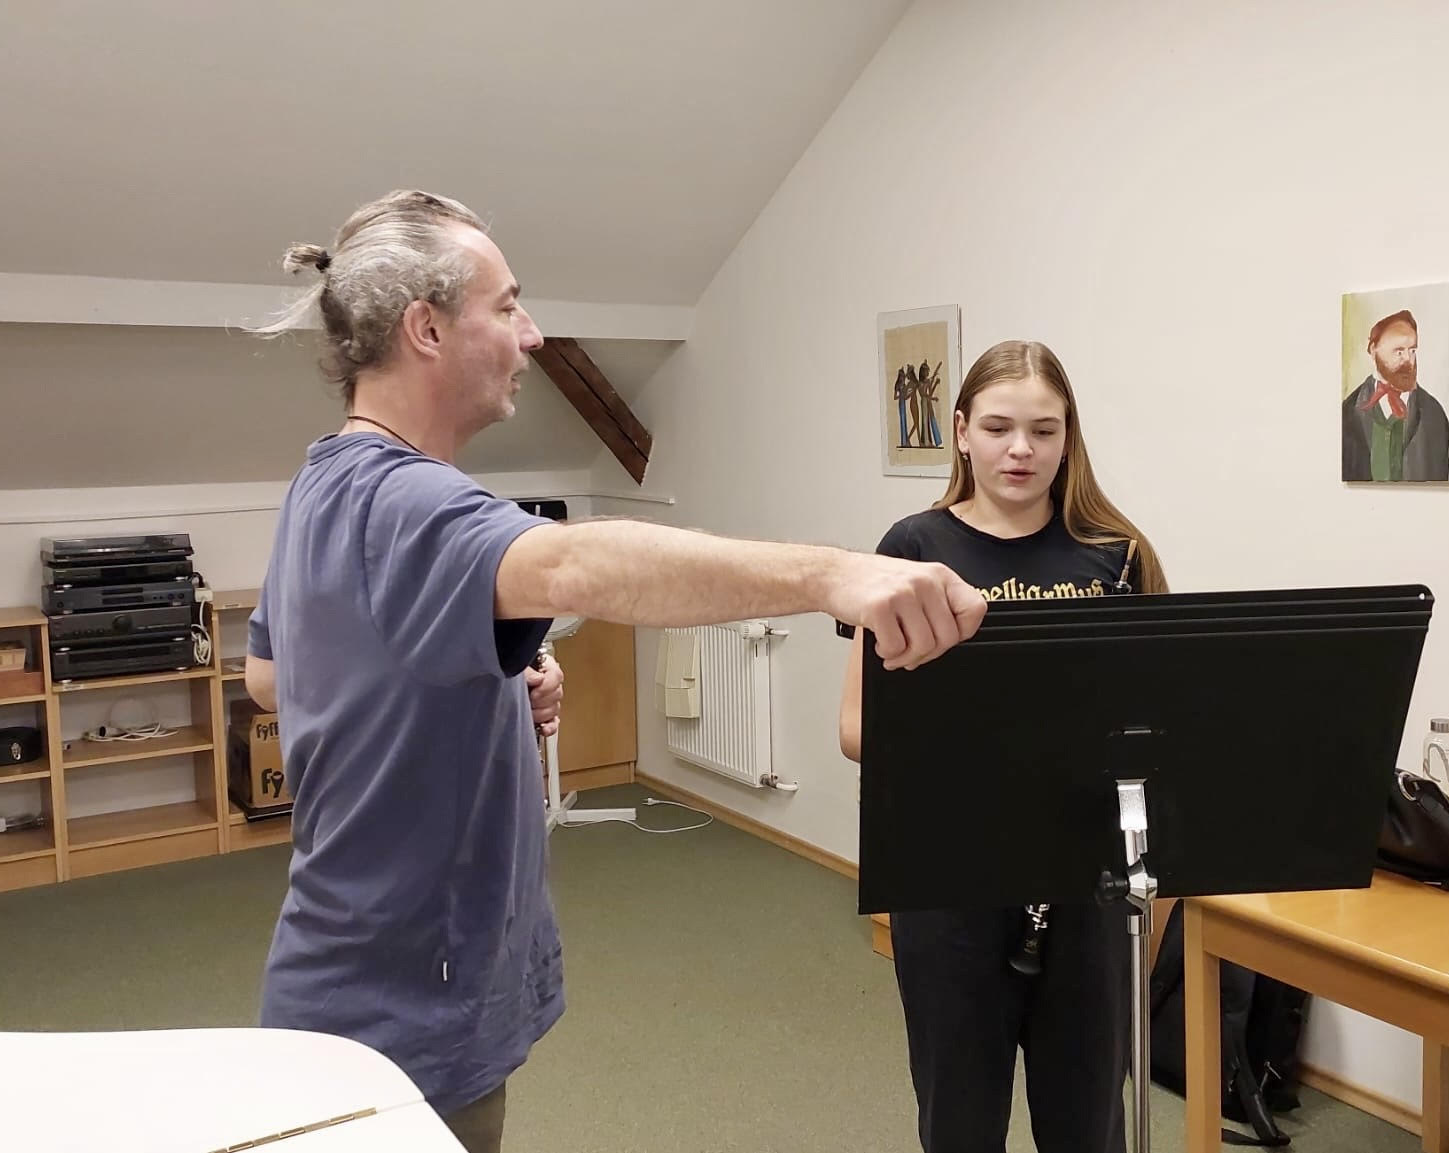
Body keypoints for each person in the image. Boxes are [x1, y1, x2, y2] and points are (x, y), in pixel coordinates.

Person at [240, 189, 987, 1153]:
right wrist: (832, 575)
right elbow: (575, 563)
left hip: (350, 986)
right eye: (507, 305)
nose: (532, 334)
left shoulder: (325, 478)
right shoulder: (407, 501)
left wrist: (493, 683)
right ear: (426, 329)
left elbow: (273, 677)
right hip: (397, 1026)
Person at [838, 340, 1168, 1153]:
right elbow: (855, 727)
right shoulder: (911, 549)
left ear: (1068, 436)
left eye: (1043, 430)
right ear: (960, 431)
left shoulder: (1118, 556)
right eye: (997, 428)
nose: (1021, 449)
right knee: (959, 1124)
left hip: (1087, 887)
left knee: (1088, 1127)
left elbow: (1157, 724)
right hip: (949, 885)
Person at [1341, 309, 1449, 482]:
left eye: (1412, 351)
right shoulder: (1347, 412)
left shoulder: (1433, 414)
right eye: (1399, 352)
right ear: (1374, 350)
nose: (1408, 360)